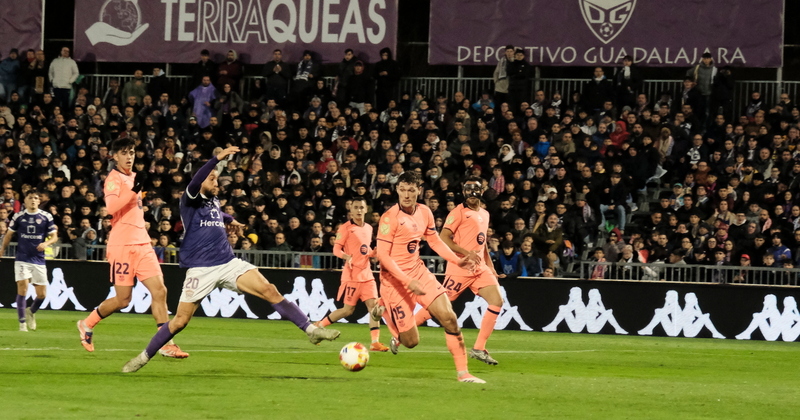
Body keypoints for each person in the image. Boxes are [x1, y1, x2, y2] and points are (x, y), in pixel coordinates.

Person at [122, 146, 340, 372]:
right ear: (201, 180)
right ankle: (143, 357)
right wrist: (217, 158)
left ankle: (311, 330)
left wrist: (230, 219)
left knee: (269, 289)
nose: (216, 183)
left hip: (227, 263)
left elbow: (217, 213)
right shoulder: (190, 198)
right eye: (212, 179)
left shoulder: (213, 200)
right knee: (179, 322)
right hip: (201, 269)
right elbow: (197, 180)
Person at [77, 138, 188, 358]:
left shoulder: (134, 177)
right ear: (115, 156)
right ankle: (87, 323)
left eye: (132, 152)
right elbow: (111, 207)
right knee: (123, 299)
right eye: (124, 153)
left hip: (142, 243)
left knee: (160, 291)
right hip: (122, 245)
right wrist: (136, 188)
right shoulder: (113, 178)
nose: (129, 157)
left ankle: (166, 343)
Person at [374, 171, 485, 383]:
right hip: (394, 281)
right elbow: (384, 257)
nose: (406, 195)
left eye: (411, 190)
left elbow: (434, 241)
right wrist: (407, 281)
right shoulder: (390, 218)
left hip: (418, 272)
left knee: (449, 318)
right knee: (410, 342)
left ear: (419, 190)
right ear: (397, 190)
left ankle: (463, 374)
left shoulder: (425, 211)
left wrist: (456, 260)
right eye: (403, 190)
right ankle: (385, 310)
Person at [413, 176, 504, 365]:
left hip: (479, 268)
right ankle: (405, 330)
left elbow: (482, 243)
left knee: (497, 301)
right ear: (463, 192)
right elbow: (444, 237)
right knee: (438, 307)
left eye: (475, 190)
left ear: (481, 191)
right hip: (459, 268)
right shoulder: (458, 213)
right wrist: (465, 253)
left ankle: (479, 348)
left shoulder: (485, 213)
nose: (471, 194)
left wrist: (490, 265)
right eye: (468, 190)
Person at [314, 197, 388, 352]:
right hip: (352, 276)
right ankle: (317, 327)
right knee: (347, 310)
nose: (359, 210)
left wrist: (373, 253)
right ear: (351, 210)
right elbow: (336, 249)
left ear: (366, 209)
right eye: (356, 207)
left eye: (361, 207)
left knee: (374, 308)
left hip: (367, 275)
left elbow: (364, 249)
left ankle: (375, 342)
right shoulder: (345, 228)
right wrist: (346, 257)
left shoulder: (369, 228)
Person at [0, 190, 58, 331]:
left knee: (42, 294)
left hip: (38, 259)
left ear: (39, 201)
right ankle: (22, 323)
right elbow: (9, 235)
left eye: (36, 198)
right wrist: (2, 250)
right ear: (25, 200)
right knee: (23, 287)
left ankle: (31, 311)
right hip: (22, 258)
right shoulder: (18, 217)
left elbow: (54, 236)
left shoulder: (46, 216)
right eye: (30, 197)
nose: (33, 200)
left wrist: (46, 243)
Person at [48, 47, 79, 112]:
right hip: (56, 86)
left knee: (66, 104)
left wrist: (70, 81)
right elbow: (50, 72)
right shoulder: (55, 61)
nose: (65, 52)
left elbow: (76, 73)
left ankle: (65, 116)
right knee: (56, 104)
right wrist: (52, 80)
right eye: (64, 50)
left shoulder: (72, 62)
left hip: (66, 87)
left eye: (67, 51)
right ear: (61, 51)